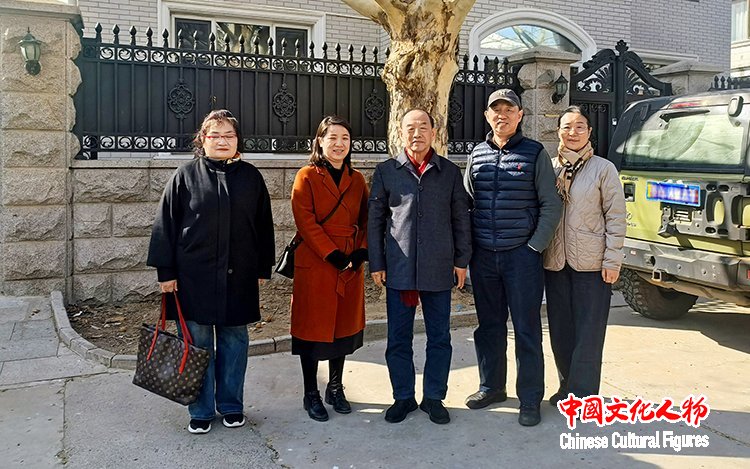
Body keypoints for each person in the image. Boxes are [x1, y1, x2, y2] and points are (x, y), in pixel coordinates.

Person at [147, 109, 275, 434]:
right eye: (214, 135)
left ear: (238, 141)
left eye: (228, 135)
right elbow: (166, 224)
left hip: (239, 275)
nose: (221, 141)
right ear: (202, 140)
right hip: (193, 278)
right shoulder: (185, 176)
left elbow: (263, 225)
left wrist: (263, 265)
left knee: (235, 341)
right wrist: (166, 272)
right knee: (197, 341)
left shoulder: (251, 177)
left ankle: (231, 405)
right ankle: (200, 409)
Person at [463, 89, 563, 427]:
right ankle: (491, 387)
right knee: (489, 327)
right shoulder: (477, 154)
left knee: (526, 329)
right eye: (496, 110)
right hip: (484, 257)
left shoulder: (534, 153)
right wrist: (469, 249)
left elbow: (551, 204)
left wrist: (534, 246)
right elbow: (468, 202)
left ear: (520, 115)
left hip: (522, 257)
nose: (502, 115)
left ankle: (530, 398)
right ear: (487, 115)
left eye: (509, 109)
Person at [368, 109, 472, 425]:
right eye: (410, 128)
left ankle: (434, 397)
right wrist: (377, 262)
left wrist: (462, 261)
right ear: (401, 132)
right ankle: (403, 396)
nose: (417, 133)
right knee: (398, 338)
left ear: (433, 132)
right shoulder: (387, 171)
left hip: (439, 267)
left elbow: (461, 219)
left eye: (423, 127)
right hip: (399, 269)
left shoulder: (449, 172)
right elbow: (375, 221)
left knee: (439, 336)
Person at [544, 106, 626, 405]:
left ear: (589, 132)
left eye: (580, 126)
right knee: (560, 330)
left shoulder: (603, 169)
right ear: (558, 132)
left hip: (593, 263)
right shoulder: (549, 167)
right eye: (567, 126)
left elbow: (616, 217)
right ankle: (566, 387)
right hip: (555, 261)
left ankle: (584, 395)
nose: (573, 132)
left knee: (589, 332)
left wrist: (612, 260)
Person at [290, 116, 369, 422]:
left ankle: (335, 387)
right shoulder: (307, 176)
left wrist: (360, 251)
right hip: (316, 262)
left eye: (345, 138)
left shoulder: (357, 179)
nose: (339, 144)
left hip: (349, 263)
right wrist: (331, 253)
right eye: (332, 137)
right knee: (312, 329)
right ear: (320, 141)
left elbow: (367, 219)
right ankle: (310, 392)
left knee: (343, 328)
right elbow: (305, 221)